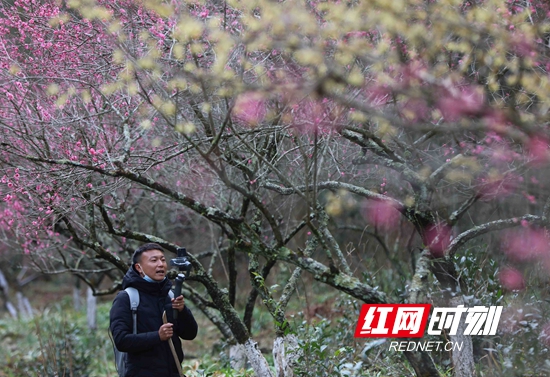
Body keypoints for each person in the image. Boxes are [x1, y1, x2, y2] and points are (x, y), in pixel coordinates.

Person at [110, 243, 198, 377]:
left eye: (163, 260)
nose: (160, 264)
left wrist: (182, 311)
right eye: (154, 260)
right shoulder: (127, 298)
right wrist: (157, 336)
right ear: (139, 267)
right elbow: (121, 340)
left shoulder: (170, 295)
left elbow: (190, 334)